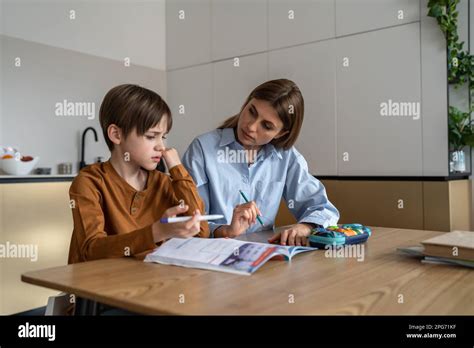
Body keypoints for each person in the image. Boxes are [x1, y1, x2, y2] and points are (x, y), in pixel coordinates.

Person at [182, 79, 339, 246]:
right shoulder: (202, 149)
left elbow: (324, 209)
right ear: (246, 103)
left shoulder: (286, 158)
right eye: (252, 112)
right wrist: (226, 231)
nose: (251, 126)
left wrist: (306, 227)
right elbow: (191, 220)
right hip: (209, 256)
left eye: (266, 125)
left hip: (265, 259)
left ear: (281, 133)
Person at [68, 84, 209, 263]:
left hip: (145, 283)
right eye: (151, 136)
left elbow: (201, 233)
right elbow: (91, 250)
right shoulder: (89, 182)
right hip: (96, 286)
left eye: (163, 137)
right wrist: (157, 232)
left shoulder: (163, 182)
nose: (161, 146)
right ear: (116, 134)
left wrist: (178, 170)